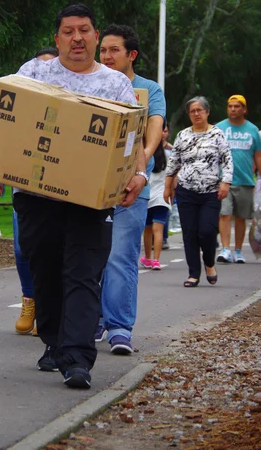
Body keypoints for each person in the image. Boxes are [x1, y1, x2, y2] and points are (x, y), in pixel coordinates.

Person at [0, 4, 146, 389]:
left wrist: (137, 174)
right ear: (57, 39)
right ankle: (54, 342)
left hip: (91, 201)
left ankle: (77, 358)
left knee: (84, 275)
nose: (77, 38)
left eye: (84, 30)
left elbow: (129, 135)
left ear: (95, 36)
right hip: (36, 197)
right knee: (47, 274)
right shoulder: (34, 73)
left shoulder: (114, 83)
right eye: (68, 31)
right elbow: (3, 110)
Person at [97, 24, 165, 354]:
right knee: (88, 254)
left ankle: (120, 327)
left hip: (131, 187)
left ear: (131, 55)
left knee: (120, 255)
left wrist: (142, 164)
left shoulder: (148, 89)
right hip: (91, 185)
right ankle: (92, 319)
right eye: (103, 51)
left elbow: (153, 126)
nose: (107, 57)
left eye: (114, 51)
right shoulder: (91, 82)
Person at [163, 97, 233, 287]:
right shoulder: (183, 135)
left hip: (211, 192)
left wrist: (226, 182)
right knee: (190, 233)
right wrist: (168, 186)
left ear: (207, 112)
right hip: (186, 190)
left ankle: (209, 263)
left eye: (199, 110)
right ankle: (193, 273)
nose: (196, 114)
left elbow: (227, 160)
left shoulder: (217, 134)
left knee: (207, 231)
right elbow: (173, 162)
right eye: (192, 111)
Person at [13, 47, 59, 336]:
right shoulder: (24, 107)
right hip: (25, 186)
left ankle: (47, 309)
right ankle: (29, 300)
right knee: (22, 248)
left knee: (54, 250)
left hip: (60, 190)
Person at [216, 95, 261, 264]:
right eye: (230, 106)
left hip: (246, 180)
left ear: (244, 109)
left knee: (241, 217)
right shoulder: (219, 128)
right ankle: (226, 249)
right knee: (225, 214)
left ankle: (239, 250)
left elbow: (258, 156)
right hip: (224, 181)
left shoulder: (252, 130)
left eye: (237, 106)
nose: (233, 109)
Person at [141, 140, 170, 270]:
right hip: (162, 197)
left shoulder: (145, 157)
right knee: (158, 230)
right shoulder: (167, 157)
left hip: (147, 197)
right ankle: (156, 260)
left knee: (147, 230)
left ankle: (147, 258)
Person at [162, 122, 174, 249]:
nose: (163, 134)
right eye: (162, 131)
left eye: (166, 131)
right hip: (153, 183)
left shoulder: (171, 149)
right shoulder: (152, 147)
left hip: (166, 183)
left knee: (165, 213)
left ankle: (163, 238)